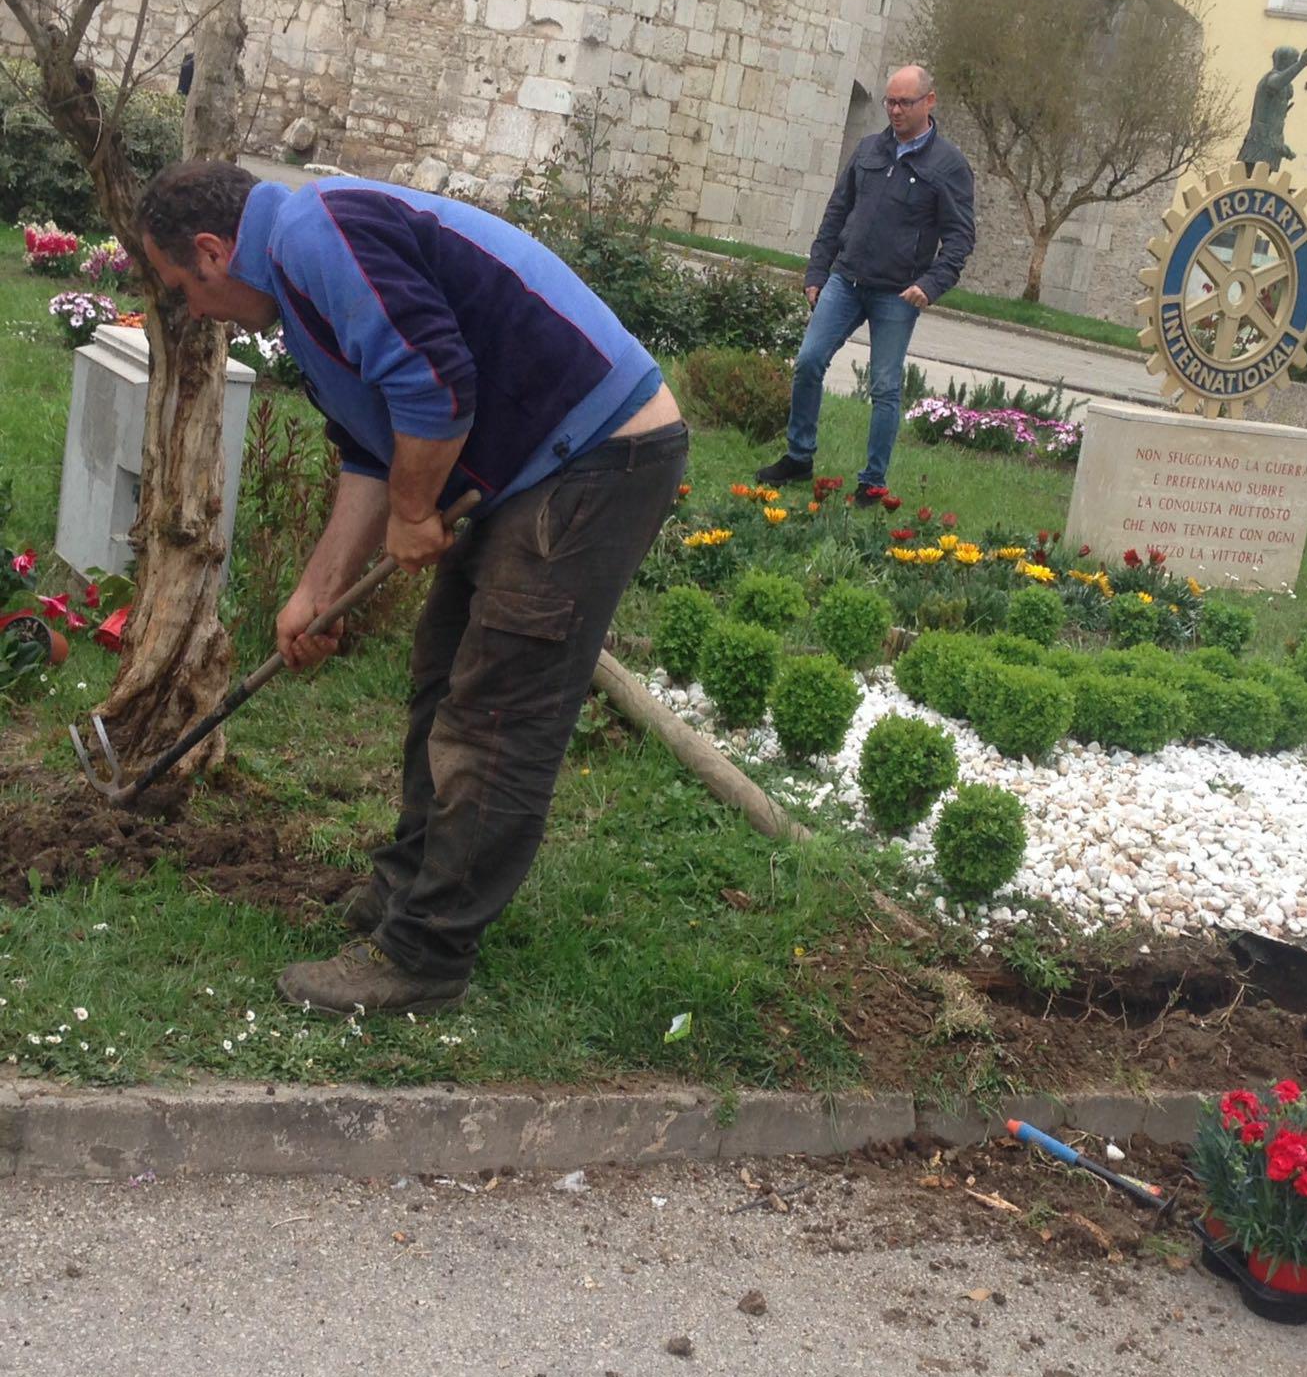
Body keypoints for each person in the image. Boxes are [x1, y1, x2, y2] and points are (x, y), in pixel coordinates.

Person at [134, 160, 688, 1015]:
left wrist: (414, 508)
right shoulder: (298, 277)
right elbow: (373, 446)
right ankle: (405, 892)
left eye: (182, 289)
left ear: (212, 252)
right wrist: (317, 591)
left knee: (497, 706)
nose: (193, 312)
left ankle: (426, 955)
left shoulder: (318, 233)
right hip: (534, 466)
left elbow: (433, 384)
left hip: (597, 455)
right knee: (442, 674)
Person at [756, 65, 975, 501]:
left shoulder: (948, 165)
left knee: (885, 388)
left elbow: (960, 237)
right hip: (846, 278)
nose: (894, 111)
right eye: (889, 102)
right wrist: (818, 271)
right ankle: (799, 457)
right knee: (809, 362)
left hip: (898, 293)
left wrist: (931, 285)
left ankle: (872, 482)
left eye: (904, 103)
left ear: (929, 102)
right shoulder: (869, 149)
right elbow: (838, 211)